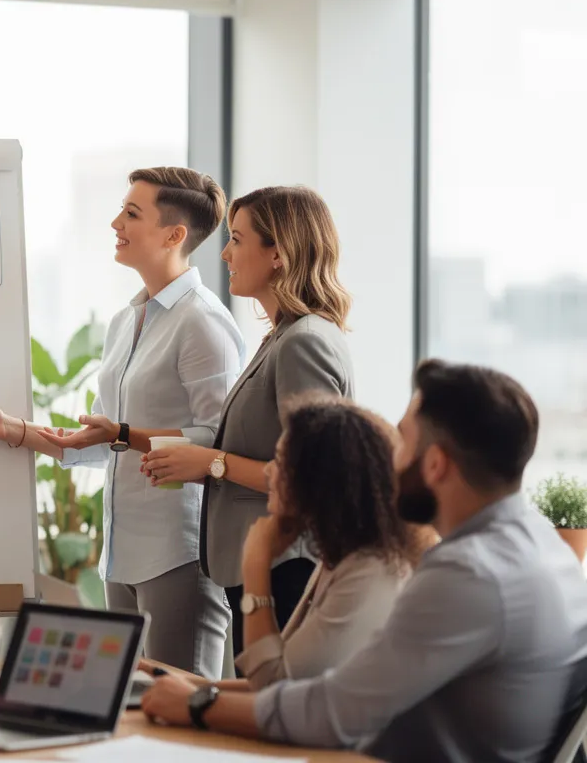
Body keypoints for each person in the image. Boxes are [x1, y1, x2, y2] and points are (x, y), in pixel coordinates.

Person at [140, 360, 587, 763]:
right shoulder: (544, 548)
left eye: (402, 442)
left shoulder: (469, 574)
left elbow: (331, 713)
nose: (387, 461)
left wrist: (198, 705)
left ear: (436, 465)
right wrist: (193, 688)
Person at [0, 167, 244, 679]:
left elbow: (218, 443)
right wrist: (11, 428)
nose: (116, 222)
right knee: (127, 717)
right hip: (121, 555)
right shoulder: (127, 321)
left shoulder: (203, 323)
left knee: (180, 725)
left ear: (174, 235)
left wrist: (122, 436)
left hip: (178, 555)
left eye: (132, 214)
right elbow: (103, 444)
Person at [140, 185, 355, 654]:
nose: (224, 253)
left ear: (278, 252)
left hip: (287, 567)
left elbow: (312, 480)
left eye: (237, 239)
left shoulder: (304, 342)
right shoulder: (284, 337)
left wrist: (211, 463)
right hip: (266, 565)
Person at [139, 394, 430, 691]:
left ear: (320, 479)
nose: (268, 471)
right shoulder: (343, 559)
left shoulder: (369, 571)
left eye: (280, 461)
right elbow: (272, 684)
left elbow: (272, 686)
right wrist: (161, 677)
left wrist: (255, 564)